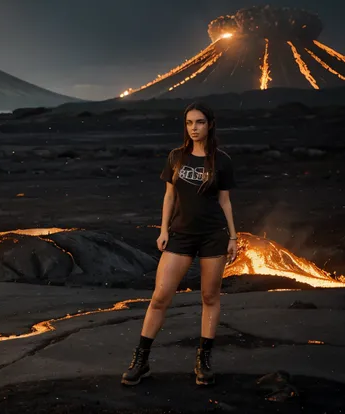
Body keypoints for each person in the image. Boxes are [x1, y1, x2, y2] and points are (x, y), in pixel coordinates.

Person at [121, 102, 238, 387]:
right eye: (189, 123)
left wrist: (233, 236)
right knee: (160, 297)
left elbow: (224, 200)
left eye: (199, 122)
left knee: (210, 297)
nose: (194, 128)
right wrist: (163, 231)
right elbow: (169, 196)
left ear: (210, 124)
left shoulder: (222, 160)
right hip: (181, 235)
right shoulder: (176, 157)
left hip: (213, 235)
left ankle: (203, 361)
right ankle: (141, 359)